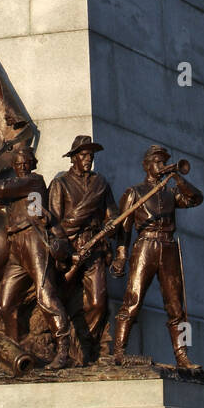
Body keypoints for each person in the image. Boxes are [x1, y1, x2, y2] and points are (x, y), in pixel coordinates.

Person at [112, 145, 204, 374]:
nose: (161, 165)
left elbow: (196, 199)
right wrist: (121, 256)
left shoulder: (171, 192)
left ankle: (183, 355)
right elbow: (123, 229)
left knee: (177, 306)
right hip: (145, 245)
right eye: (157, 161)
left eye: (164, 161)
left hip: (169, 247)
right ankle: (119, 351)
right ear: (146, 165)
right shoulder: (134, 192)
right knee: (132, 300)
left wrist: (178, 178)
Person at [0, 144, 71, 369]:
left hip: (34, 239)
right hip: (15, 244)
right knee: (5, 300)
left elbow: (2, 188)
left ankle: (63, 350)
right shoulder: (16, 190)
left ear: (33, 164)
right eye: (19, 163)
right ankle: (16, 347)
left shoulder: (34, 181)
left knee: (45, 295)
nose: (22, 166)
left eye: (26, 162)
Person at [48, 134, 118, 359]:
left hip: (95, 247)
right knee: (61, 299)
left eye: (91, 155)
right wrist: (66, 251)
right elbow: (54, 223)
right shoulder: (60, 184)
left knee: (98, 302)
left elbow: (113, 214)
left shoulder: (101, 183)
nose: (89, 159)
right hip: (69, 250)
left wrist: (110, 225)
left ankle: (87, 345)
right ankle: (64, 345)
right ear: (73, 158)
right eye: (84, 155)